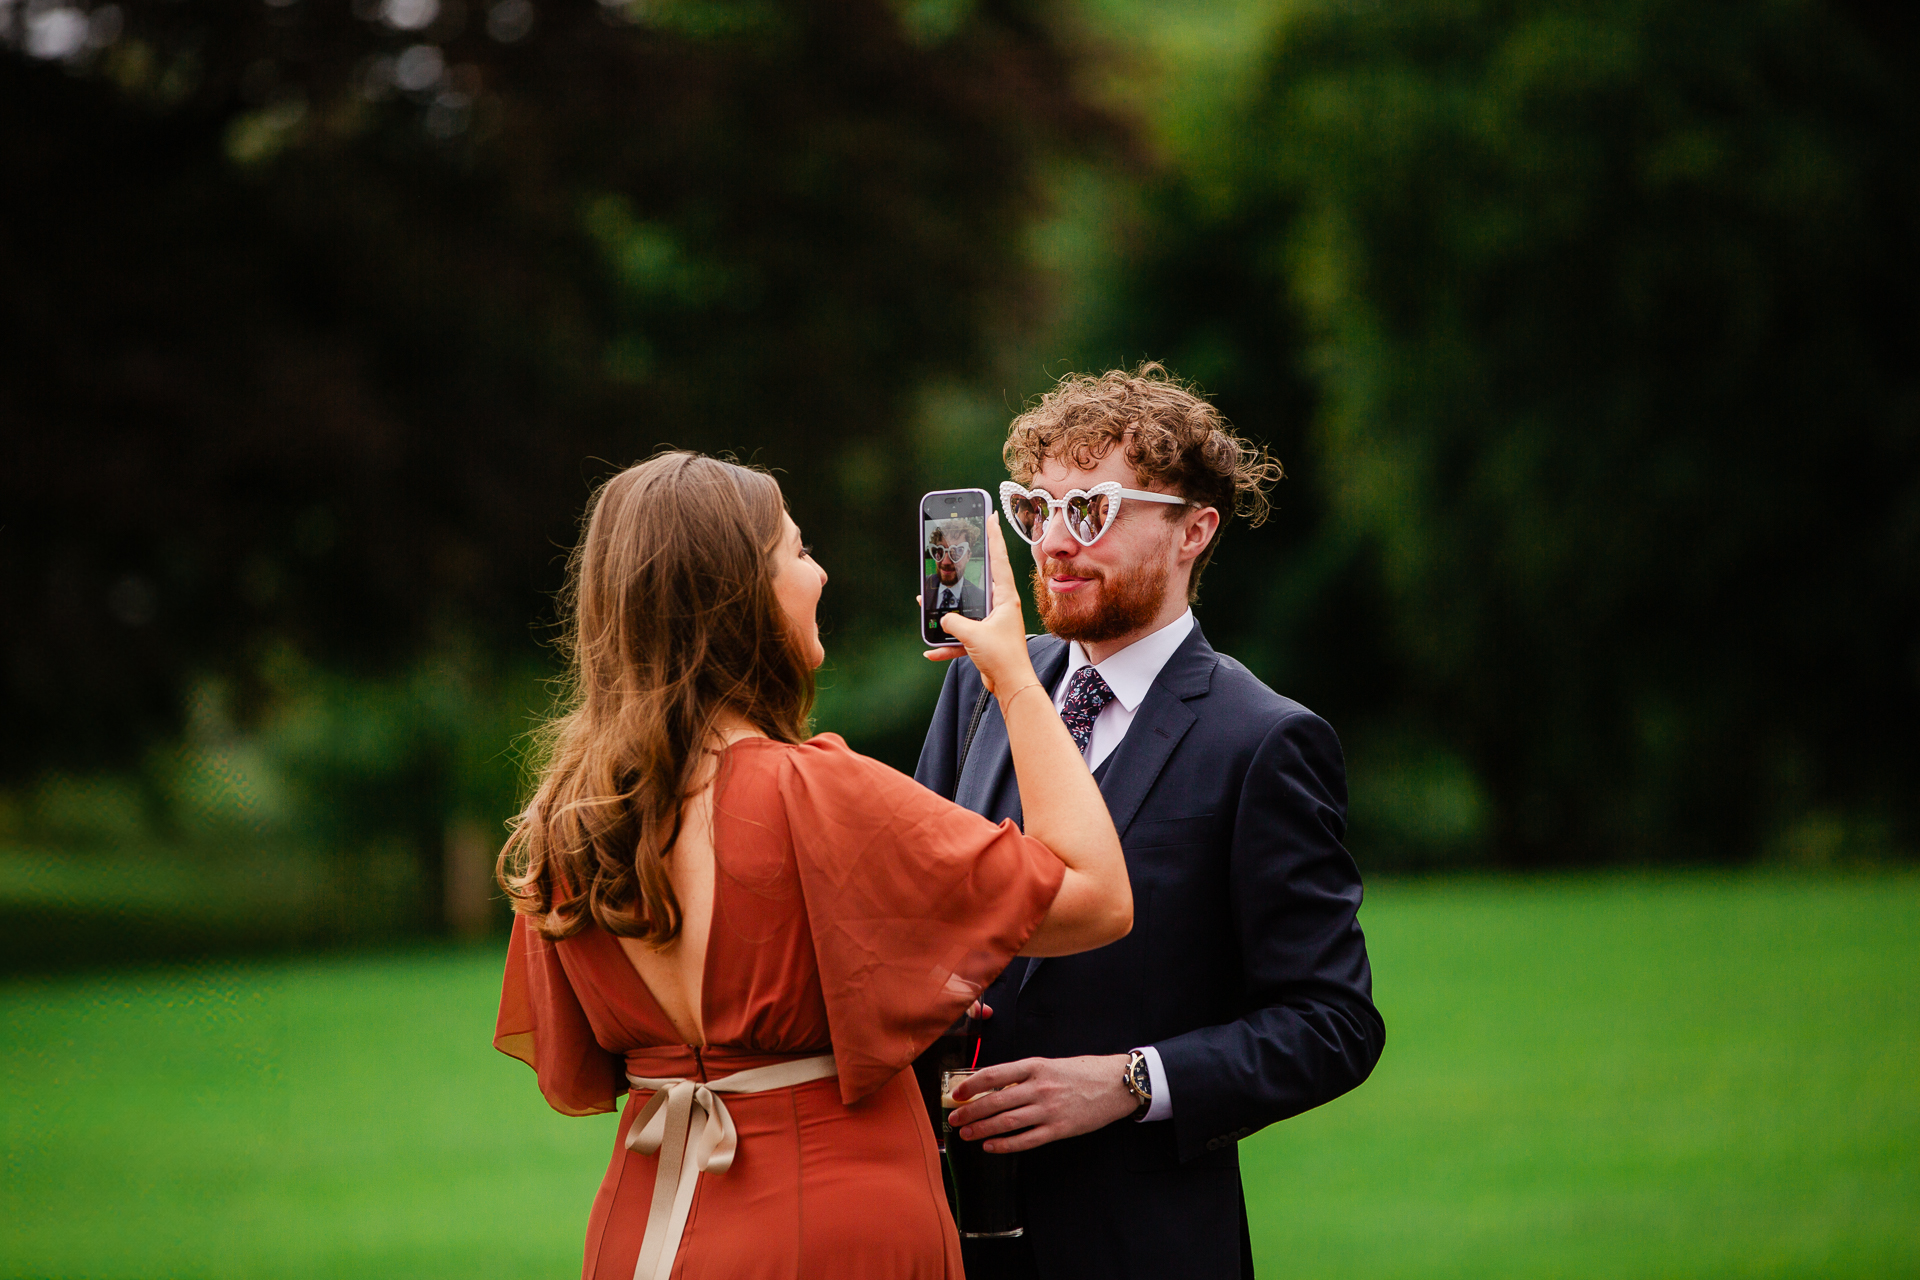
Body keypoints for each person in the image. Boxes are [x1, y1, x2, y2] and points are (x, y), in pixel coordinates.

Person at [492, 451, 1132, 1280]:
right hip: (828, 1226)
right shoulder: (814, 794)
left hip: (645, 1224)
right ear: (737, 596)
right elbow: (1095, 895)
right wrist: (1011, 673)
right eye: (795, 552)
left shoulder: (568, 821)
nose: (820, 573)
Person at [915, 366, 1386, 1279]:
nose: (1054, 542)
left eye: (1091, 510)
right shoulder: (979, 683)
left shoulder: (1264, 740)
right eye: (1036, 510)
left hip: (1140, 1241)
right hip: (945, 1225)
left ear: (1193, 531)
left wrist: (1131, 1082)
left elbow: (1333, 1023)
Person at [926, 518, 986, 618]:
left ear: (968, 556)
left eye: (957, 552)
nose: (945, 562)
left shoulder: (981, 598)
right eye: (940, 552)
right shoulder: (924, 586)